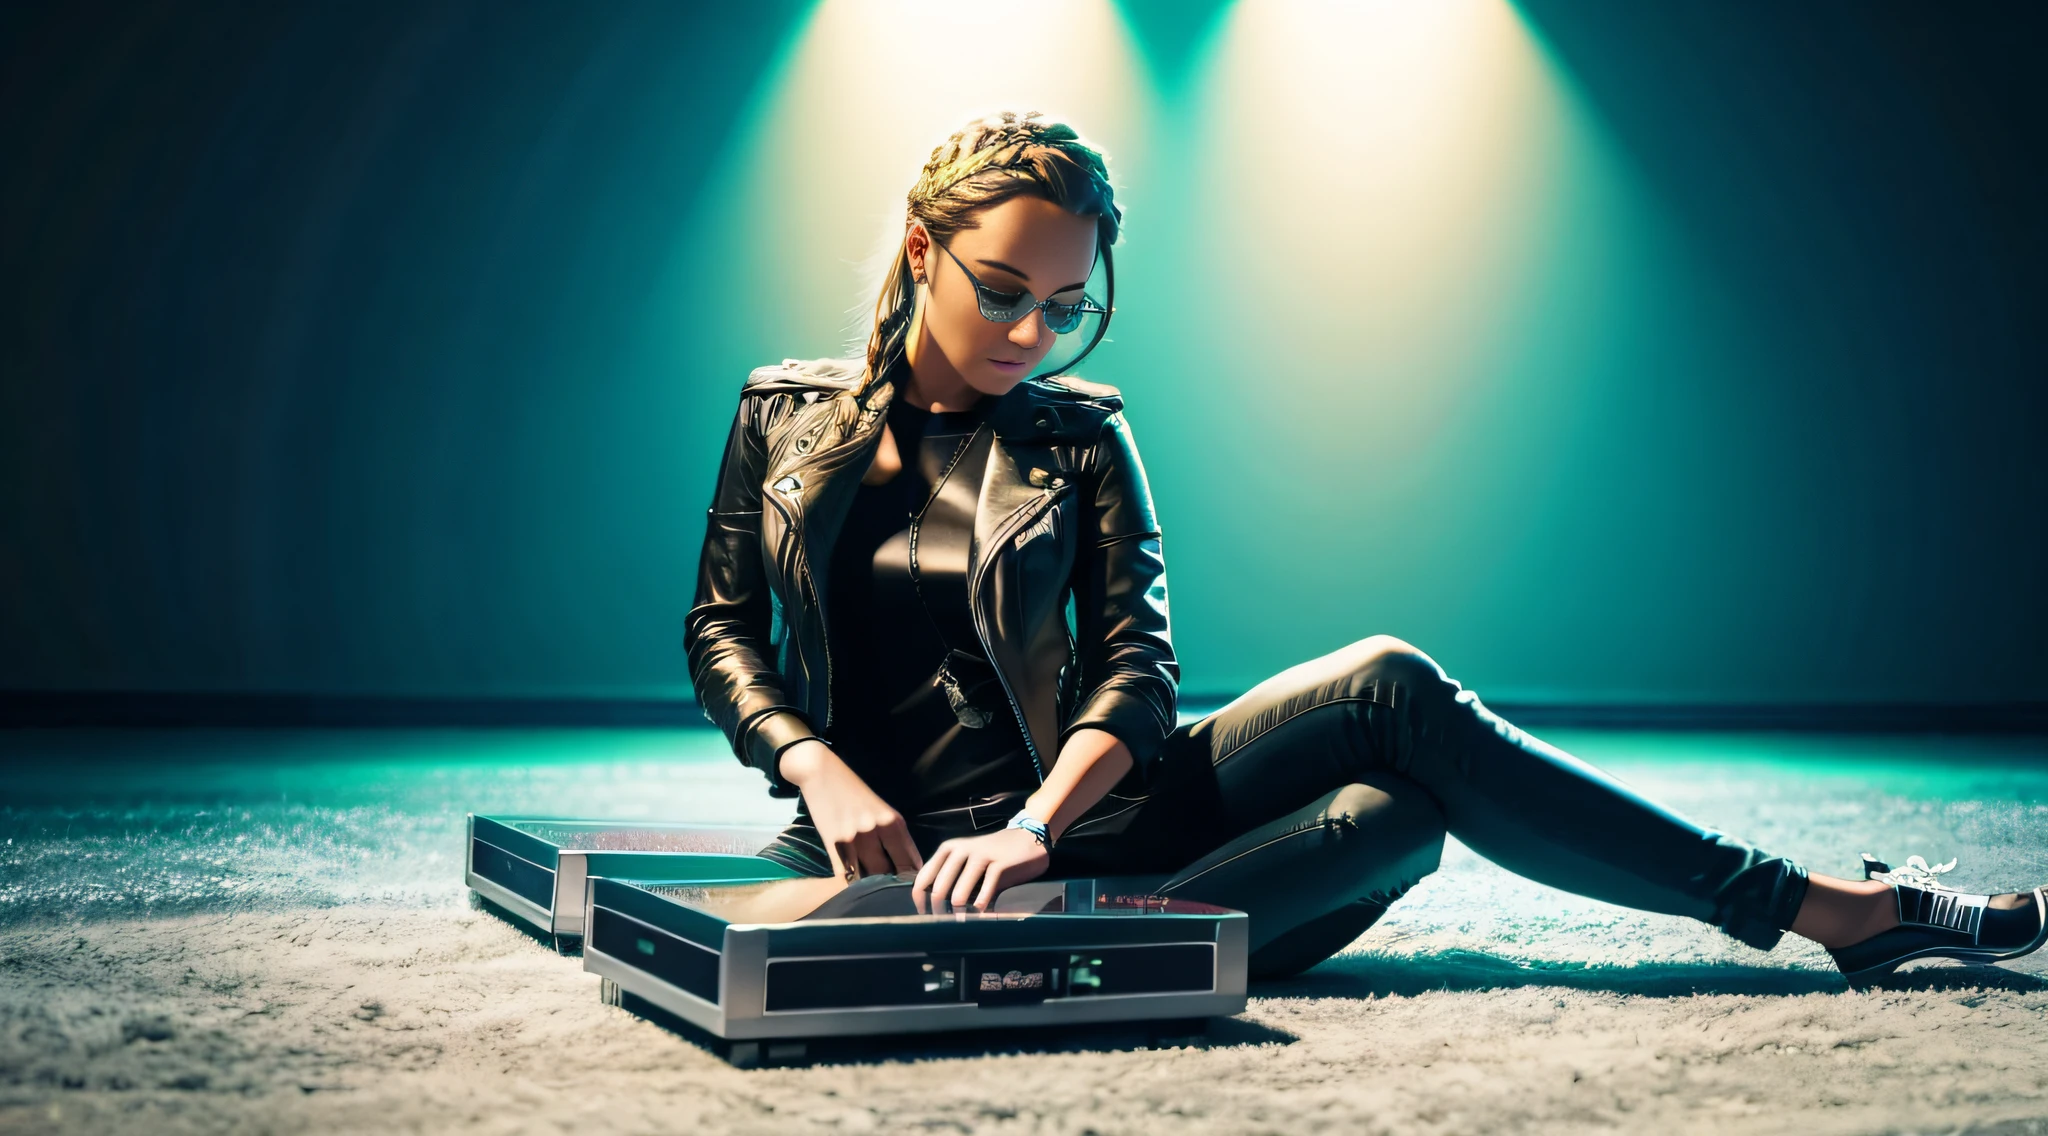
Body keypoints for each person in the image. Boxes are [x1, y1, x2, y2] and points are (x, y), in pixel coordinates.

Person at [684, 109, 2047, 987]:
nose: (1031, 335)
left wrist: (1042, 826)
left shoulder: (1084, 437)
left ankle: (1815, 910)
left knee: (1392, 693)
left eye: (1065, 307)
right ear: (921, 252)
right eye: (1001, 294)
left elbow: (1139, 680)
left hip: (1095, 819)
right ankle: (1100, 951)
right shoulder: (783, 419)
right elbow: (724, 631)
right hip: (899, 856)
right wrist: (817, 766)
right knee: (1408, 816)